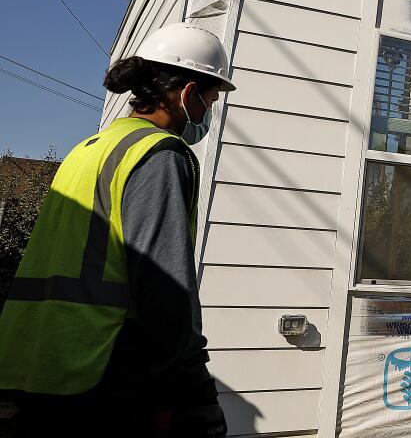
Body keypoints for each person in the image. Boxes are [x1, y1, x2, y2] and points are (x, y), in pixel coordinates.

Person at [0, 22, 236, 436]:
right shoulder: (159, 154)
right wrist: (194, 385)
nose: (207, 113)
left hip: (34, 363)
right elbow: (164, 285)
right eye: (209, 99)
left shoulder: (87, 149)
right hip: (102, 369)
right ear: (186, 94)